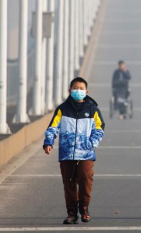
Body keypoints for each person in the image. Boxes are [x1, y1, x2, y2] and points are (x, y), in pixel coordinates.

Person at [43, 77, 105, 225]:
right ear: (70, 91)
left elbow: (100, 128)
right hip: (67, 153)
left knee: (85, 179)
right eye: (75, 88)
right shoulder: (62, 109)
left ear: (86, 91)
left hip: (86, 153)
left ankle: (84, 209)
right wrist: (48, 142)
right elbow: (53, 127)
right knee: (69, 183)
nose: (78, 91)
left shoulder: (92, 109)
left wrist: (91, 144)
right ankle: (71, 213)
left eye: (81, 88)